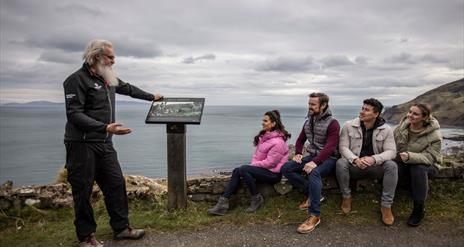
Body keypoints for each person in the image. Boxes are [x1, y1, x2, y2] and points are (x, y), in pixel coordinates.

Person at [63, 39, 163, 247]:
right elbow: (74, 114)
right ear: (97, 56)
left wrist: (152, 97)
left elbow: (127, 89)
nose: (113, 61)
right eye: (110, 57)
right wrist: (105, 127)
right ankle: (86, 237)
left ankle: (121, 228)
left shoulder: (107, 78)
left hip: (104, 143)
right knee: (83, 190)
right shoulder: (76, 80)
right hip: (81, 144)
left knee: (116, 184)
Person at [207, 110, 291, 215]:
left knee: (244, 169)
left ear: (273, 124)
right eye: (262, 120)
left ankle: (256, 199)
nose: (262, 122)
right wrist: (252, 167)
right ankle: (223, 203)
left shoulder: (278, 142)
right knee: (237, 171)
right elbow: (257, 157)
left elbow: (271, 163)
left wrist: (251, 166)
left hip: (273, 174)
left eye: (265, 121)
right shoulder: (264, 138)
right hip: (264, 170)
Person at [280, 92, 340, 234]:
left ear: (323, 105)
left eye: (313, 104)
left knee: (314, 172)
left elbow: (331, 147)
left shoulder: (333, 123)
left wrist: (315, 162)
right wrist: (299, 153)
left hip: (329, 158)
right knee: (286, 168)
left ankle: (315, 215)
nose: (310, 107)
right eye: (309, 104)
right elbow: (300, 140)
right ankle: (314, 194)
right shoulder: (308, 121)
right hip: (312, 155)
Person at [336, 98, 397, 226]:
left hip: (376, 167)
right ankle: (346, 197)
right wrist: (355, 160)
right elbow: (343, 147)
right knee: (341, 163)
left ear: (376, 114)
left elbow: (391, 152)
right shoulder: (348, 125)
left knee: (391, 165)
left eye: (367, 110)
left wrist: (374, 159)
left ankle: (386, 206)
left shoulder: (386, 129)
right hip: (355, 167)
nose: (362, 112)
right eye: (362, 109)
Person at [393, 103, 442, 226]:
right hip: (404, 162)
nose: (410, 115)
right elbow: (390, 146)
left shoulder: (435, 135)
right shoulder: (400, 128)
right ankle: (388, 202)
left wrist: (410, 156)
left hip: (427, 165)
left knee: (417, 168)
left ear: (425, 117)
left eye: (415, 114)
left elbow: (431, 157)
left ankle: (419, 208)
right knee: (392, 167)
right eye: (410, 112)